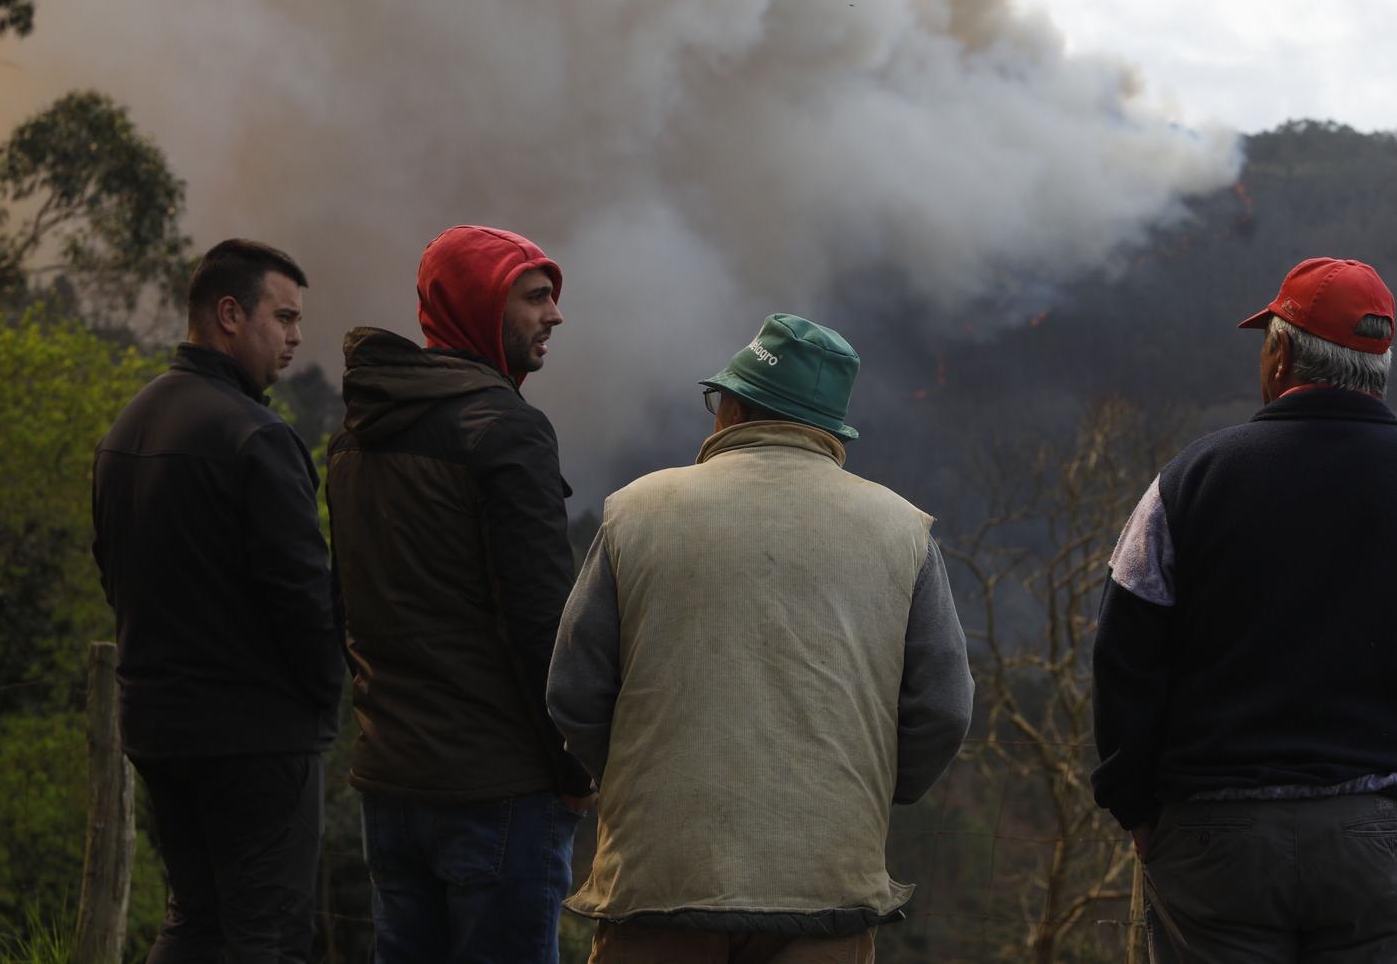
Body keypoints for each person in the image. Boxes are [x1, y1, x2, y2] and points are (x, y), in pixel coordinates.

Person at [1091, 256, 1397, 964]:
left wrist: (1136, 805)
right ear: (1381, 364)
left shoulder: (1190, 480)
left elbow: (1124, 655)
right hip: (1386, 832)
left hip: (1213, 832)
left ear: (1281, 355)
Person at [547, 313, 973, 963]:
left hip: (660, 880)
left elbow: (573, 690)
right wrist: (860, 783)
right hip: (827, 888)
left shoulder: (636, 511)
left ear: (736, 407)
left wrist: (644, 771)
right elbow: (944, 707)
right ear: (830, 429)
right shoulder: (904, 531)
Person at [327, 224, 596, 963]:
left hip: (391, 781)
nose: (555, 315)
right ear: (481, 305)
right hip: (497, 793)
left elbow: (347, 607)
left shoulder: (355, 435)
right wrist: (575, 768)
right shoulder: (506, 432)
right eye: (535, 296)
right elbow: (543, 625)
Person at [92, 238, 341, 963]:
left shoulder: (125, 429)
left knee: (195, 921)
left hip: (157, 727)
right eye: (284, 317)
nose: (296, 337)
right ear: (229, 314)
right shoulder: (257, 437)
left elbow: (112, 569)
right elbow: (303, 599)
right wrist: (323, 699)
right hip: (257, 740)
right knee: (268, 934)